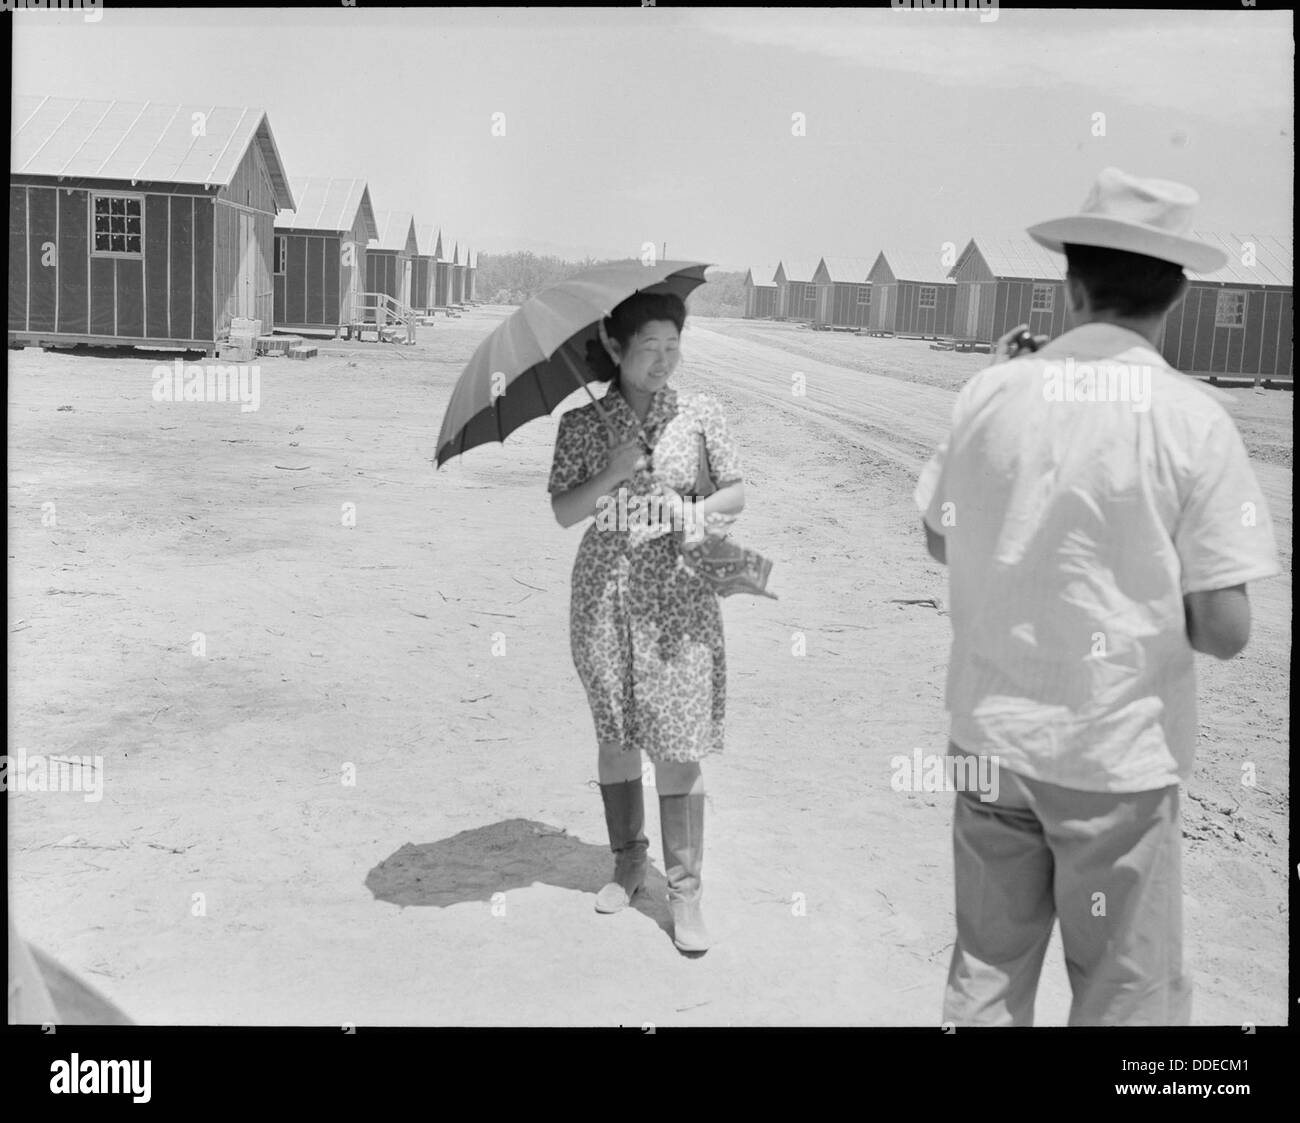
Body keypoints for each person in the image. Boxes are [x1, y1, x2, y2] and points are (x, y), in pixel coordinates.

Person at [914, 167, 1280, 1025]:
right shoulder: (1193, 422)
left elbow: (939, 534)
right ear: (1179, 295)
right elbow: (1226, 630)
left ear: (1070, 286)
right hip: (1112, 764)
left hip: (990, 744)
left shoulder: (989, 394)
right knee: (1126, 995)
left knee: (988, 975)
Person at [547, 289, 746, 953]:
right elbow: (565, 513)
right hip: (604, 596)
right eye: (649, 346)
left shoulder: (700, 414)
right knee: (616, 732)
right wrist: (609, 471)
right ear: (615, 346)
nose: (664, 359)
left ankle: (685, 892)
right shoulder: (582, 424)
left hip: (678, 598)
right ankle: (629, 864)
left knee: (678, 742)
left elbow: (736, 490)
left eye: (673, 345)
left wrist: (692, 514)